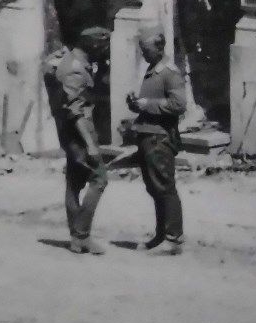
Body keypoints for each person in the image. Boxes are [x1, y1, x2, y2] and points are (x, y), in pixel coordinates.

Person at [44, 26, 111, 255]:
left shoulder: (73, 62)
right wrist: (90, 145)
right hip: (77, 132)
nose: (105, 50)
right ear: (92, 45)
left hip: (69, 131)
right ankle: (82, 234)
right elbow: (75, 110)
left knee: (73, 181)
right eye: (103, 46)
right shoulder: (74, 69)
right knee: (99, 179)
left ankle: (76, 239)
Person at [126, 25, 188, 254]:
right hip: (147, 135)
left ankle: (174, 239)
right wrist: (135, 104)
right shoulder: (153, 69)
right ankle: (161, 234)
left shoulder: (170, 72)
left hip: (159, 138)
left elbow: (179, 105)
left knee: (164, 186)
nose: (143, 53)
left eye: (146, 49)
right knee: (154, 187)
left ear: (159, 47)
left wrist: (148, 105)